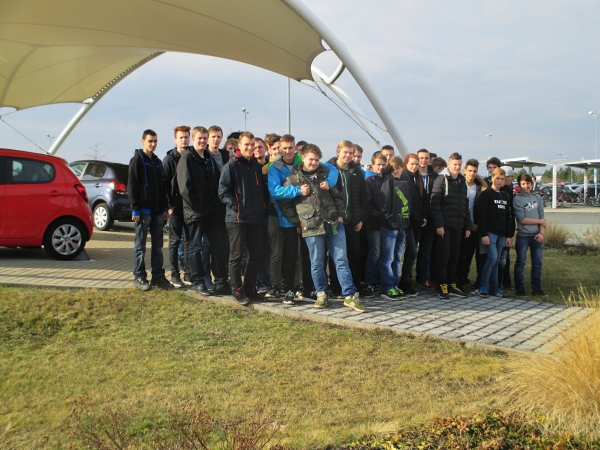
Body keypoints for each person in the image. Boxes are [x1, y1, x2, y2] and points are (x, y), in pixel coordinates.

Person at [278, 144, 366, 312]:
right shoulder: (293, 179)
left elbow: (338, 195)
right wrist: (298, 221)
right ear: (303, 158)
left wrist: (340, 214)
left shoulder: (325, 175)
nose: (314, 163)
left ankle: (349, 295)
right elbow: (285, 204)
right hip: (311, 226)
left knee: (341, 259)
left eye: (317, 160)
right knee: (317, 262)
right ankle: (321, 293)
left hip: (333, 223)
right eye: (311, 159)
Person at [269, 134, 338, 304]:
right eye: (284, 148)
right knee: (290, 255)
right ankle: (289, 289)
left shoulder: (304, 159)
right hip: (289, 218)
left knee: (309, 256)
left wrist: (329, 182)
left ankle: (309, 289)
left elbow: (333, 169)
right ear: (280, 148)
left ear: (295, 147)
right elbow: (274, 191)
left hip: (310, 218)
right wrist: (298, 191)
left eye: (290, 147)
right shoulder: (275, 167)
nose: (288, 151)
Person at [177, 126, 229, 296]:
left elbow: (215, 183)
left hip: (214, 212)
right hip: (197, 213)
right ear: (193, 139)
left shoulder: (208, 158)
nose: (202, 141)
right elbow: (185, 188)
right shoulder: (187, 159)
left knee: (219, 246)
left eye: (204, 138)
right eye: (199, 138)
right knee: (196, 248)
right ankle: (198, 281)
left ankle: (221, 281)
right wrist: (197, 207)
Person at [219, 132, 268, 305]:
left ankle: (249, 288)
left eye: (252, 144)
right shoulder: (231, 165)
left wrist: (262, 207)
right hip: (237, 219)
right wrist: (237, 206)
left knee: (257, 254)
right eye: (246, 144)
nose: (250, 148)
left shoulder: (255, 166)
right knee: (236, 256)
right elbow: (223, 191)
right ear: (239, 145)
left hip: (255, 218)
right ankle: (237, 290)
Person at [127, 129, 171, 291]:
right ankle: (139, 276)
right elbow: (132, 185)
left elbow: (162, 186)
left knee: (157, 246)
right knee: (140, 246)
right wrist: (135, 208)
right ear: (143, 141)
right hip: (143, 212)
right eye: (150, 141)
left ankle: (158, 276)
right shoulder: (137, 160)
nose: (153, 144)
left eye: (155, 141)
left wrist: (165, 207)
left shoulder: (158, 162)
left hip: (158, 211)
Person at [328, 140, 371, 298]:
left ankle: (354, 286)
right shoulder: (329, 169)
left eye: (351, 153)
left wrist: (360, 219)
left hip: (353, 221)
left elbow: (362, 197)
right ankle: (336, 287)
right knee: (337, 256)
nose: (348, 155)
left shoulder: (356, 171)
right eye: (345, 152)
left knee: (354, 255)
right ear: (338, 152)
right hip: (335, 221)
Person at [430, 152, 472, 299]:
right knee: (443, 255)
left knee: (455, 255)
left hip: (458, 225)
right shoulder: (441, 179)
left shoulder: (462, 181)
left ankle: (452, 282)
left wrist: (468, 225)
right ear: (449, 164)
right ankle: (442, 284)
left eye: (459, 165)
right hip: (445, 225)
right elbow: (435, 204)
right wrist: (439, 224)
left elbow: (465, 205)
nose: (457, 167)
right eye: (455, 164)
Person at [475, 168, 514, 298]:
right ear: (492, 178)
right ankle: (483, 286)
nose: (500, 181)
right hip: (490, 233)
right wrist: (484, 234)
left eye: (502, 179)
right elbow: (481, 216)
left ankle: (495, 288)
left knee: (496, 261)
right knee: (491, 258)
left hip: (501, 234)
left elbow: (508, 217)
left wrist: (509, 235)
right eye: (497, 178)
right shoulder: (486, 195)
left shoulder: (505, 196)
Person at [162, 125, 191, 288]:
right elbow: (164, 184)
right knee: (174, 241)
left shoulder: (191, 157)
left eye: (186, 137)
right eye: (181, 137)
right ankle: (174, 275)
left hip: (189, 207)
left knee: (188, 242)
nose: (184, 140)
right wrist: (169, 206)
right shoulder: (169, 159)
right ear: (175, 139)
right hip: (175, 206)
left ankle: (188, 273)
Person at [379, 156, 411, 300]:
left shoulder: (405, 180)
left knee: (398, 257)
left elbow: (409, 201)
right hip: (390, 226)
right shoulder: (388, 180)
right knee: (388, 258)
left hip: (402, 225)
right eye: (393, 168)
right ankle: (387, 287)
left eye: (398, 168)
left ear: (402, 168)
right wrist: (390, 220)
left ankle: (395, 285)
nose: (396, 171)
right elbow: (384, 204)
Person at [513, 173, 546, 297]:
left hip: (536, 235)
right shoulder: (517, 199)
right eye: (523, 184)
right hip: (523, 235)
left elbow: (542, 216)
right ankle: (520, 289)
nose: (526, 186)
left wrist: (541, 232)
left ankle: (536, 289)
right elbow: (522, 219)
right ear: (519, 185)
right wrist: (540, 221)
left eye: (528, 183)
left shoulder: (537, 197)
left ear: (531, 183)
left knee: (537, 263)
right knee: (521, 262)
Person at [398, 154, 427, 296]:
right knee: (411, 252)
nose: (415, 166)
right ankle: (404, 282)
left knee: (412, 252)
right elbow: (407, 202)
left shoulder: (416, 178)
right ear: (406, 163)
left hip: (417, 222)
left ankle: (407, 280)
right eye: (412, 164)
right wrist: (419, 218)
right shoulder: (405, 177)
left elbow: (422, 200)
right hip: (409, 222)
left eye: (416, 164)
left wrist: (424, 217)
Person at [456, 159, 486, 291]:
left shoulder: (480, 188)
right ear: (465, 171)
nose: (472, 173)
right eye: (469, 171)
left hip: (474, 225)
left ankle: (464, 277)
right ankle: (456, 279)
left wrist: (476, 224)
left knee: (468, 255)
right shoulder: (459, 184)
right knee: (459, 254)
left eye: (474, 171)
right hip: (460, 224)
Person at [263, 133, 283, 298]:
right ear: (268, 149)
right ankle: (274, 284)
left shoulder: (288, 165)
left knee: (291, 251)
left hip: (289, 212)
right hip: (272, 213)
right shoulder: (265, 169)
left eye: (279, 148)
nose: (277, 151)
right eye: (274, 148)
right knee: (275, 251)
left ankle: (291, 283)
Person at [363, 152, 387, 293]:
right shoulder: (369, 181)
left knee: (384, 253)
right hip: (373, 223)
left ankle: (378, 280)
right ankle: (369, 281)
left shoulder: (387, 180)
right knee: (375, 252)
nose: (381, 167)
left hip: (386, 223)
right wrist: (379, 216)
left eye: (383, 164)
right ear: (373, 165)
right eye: (378, 164)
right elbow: (367, 203)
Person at [415, 149, 439, 290]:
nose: (423, 160)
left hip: (429, 218)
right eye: (421, 158)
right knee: (411, 249)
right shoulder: (412, 174)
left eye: (426, 158)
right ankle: (406, 278)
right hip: (415, 218)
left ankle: (423, 277)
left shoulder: (435, 176)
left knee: (425, 249)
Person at [498, 166, 515, 290]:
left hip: (506, 230)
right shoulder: (496, 191)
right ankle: (498, 281)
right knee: (497, 258)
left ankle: (506, 281)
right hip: (497, 230)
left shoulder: (509, 191)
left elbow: (510, 213)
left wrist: (510, 233)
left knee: (505, 257)